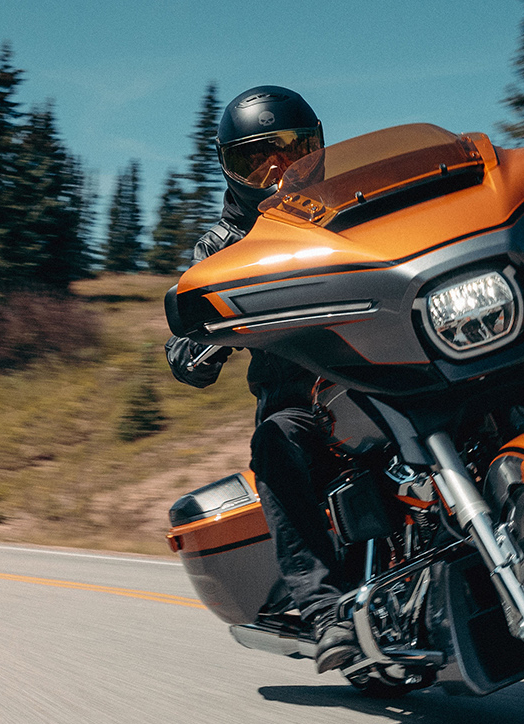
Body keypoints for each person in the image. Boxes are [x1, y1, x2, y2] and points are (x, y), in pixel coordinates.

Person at [164, 85, 361, 674]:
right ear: (233, 169)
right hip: (304, 399)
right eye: (257, 158)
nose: (278, 172)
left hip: (386, 367)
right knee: (278, 440)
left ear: (318, 149)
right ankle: (326, 612)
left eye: (293, 153)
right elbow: (189, 324)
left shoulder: (354, 209)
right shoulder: (223, 246)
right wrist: (196, 342)